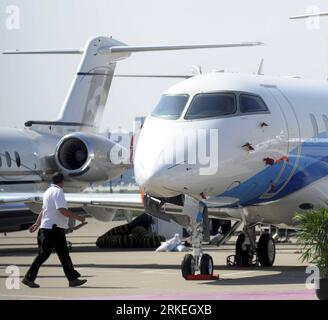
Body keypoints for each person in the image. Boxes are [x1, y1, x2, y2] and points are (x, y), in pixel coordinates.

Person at [22, 173, 87, 288]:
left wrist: (37, 224)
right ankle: (28, 278)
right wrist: (78, 217)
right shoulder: (58, 192)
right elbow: (62, 210)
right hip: (52, 229)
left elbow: (43, 210)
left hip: (53, 228)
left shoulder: (48, 191)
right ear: (62, 181)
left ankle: (73, 279)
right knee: (44, 254)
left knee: (64, 255)